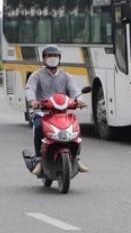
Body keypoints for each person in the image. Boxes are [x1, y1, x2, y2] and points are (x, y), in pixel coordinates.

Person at [26, 45, 89, 175]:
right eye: (49, 56)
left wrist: (79, 101)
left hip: (61, 114)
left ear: (59, 58)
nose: (52, 58)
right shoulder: (36, 75)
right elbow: (29, 89)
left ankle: (76, 159)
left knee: (75, 128)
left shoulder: (66, 76)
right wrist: (33, 101)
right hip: (42, 113)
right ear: (44, 58)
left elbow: (75, 91)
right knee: (38, 127)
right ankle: (39, 161)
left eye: (55, 56)